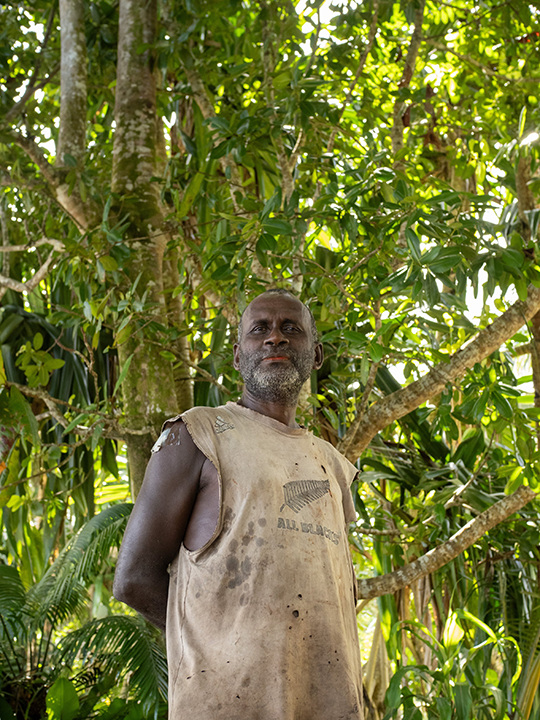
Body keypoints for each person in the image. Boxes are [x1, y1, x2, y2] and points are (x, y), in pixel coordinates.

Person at [113, 288, 364, 719]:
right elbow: (133, 579)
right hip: (225, 704)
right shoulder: (196, 435)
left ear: (316, 354)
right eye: (260, 329)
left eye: (291, 329)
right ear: (236, 355)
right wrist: (216, 643)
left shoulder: (333, 466)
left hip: (326, 704)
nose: (275, 339)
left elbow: (337, 592)